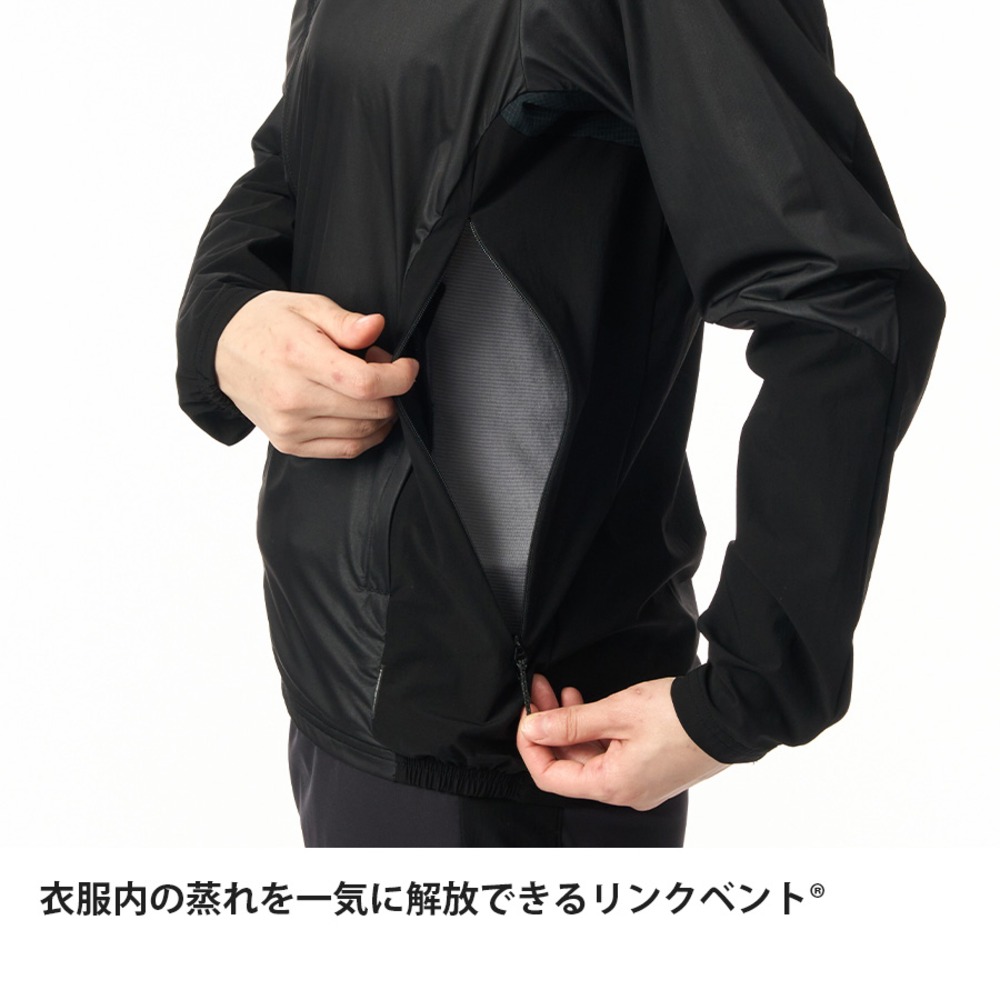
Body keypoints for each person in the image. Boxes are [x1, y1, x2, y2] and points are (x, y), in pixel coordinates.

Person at [176, 0, 945, 847]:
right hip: (332, 672)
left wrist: (746, 693)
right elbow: (301, 152)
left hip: (522, 735)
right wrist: (224, 323)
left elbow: (842, 298)